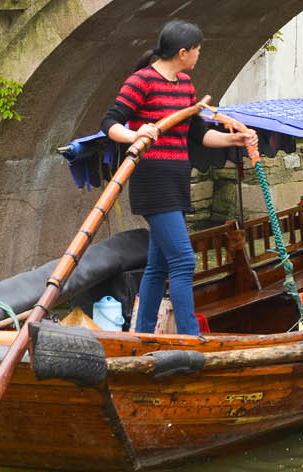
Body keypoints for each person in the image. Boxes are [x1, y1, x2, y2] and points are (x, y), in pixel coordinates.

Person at [101, 20, 256, 336]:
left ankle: (142, 334)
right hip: (152, 180)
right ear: (183, 52)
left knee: (158, 266)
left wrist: (233, 141)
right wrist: (134, 134)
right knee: (184, 261)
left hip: (176, 179)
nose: (199, 54)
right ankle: (190, 337)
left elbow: (198, 135)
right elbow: (110, 122)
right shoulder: (141, 81)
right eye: (197, 49)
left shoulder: (185, 85)